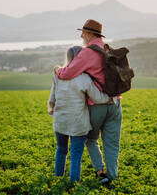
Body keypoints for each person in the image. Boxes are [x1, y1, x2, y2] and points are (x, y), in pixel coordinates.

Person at [54, 19, 123, 186]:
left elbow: (68, 73)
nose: (81, 35)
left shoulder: (87, 52)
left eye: (83, 32)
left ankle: (100, 171)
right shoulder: (106, 48)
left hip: (97, 105)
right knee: (112, 143)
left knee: (91, 140)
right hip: (115, 103)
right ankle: (112, 176)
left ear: (90, 34)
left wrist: (57, 70)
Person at [47, 46, 110, 183]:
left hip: (61, 120)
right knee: (75, 155)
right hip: (78, 123)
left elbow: (52, 99)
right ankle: (73, 184)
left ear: (68, 58)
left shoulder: (58, 76)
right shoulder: (84, 78)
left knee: (61, 150)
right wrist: (111, 98)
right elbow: (98, 98)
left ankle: (58, 180)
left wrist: (51, 109)